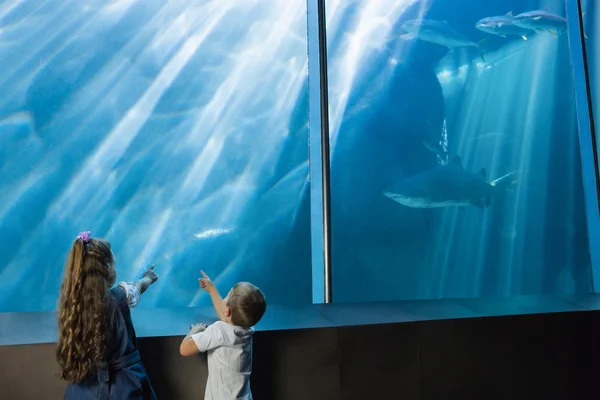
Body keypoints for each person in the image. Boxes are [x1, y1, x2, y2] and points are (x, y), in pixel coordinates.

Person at [56, 231, 158, 399]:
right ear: (107, 269)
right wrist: (148, 277)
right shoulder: (121, 296)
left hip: (84, 387)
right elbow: (138, 286)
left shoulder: (71, 306)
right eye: (113, 264)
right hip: (124, 386)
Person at [179, 271, 267, 400]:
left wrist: (195, 331)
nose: (224, 298)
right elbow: (225, 315)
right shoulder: (246, 330)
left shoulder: (219, 331)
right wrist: (211, 289)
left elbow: (184, 349)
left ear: (228, 310)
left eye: (226, 296)